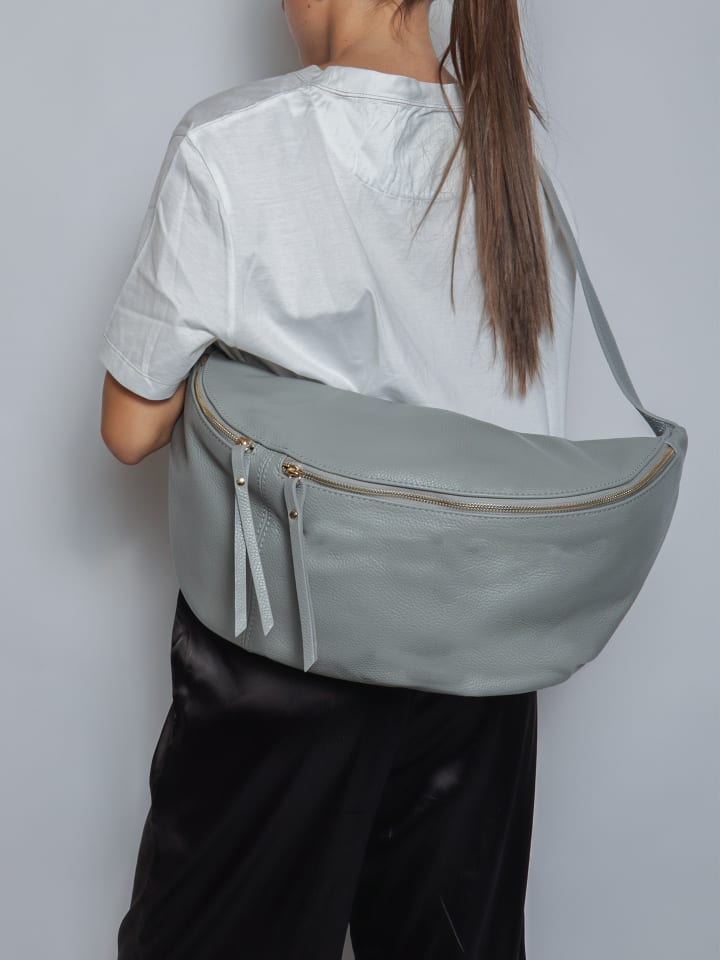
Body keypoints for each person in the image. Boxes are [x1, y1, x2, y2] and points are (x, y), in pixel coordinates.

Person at [99, 1, 578, 957]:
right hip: (476, 651)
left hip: (288, 641)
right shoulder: (511, 145)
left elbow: (129, 427)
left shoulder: (232, 143)